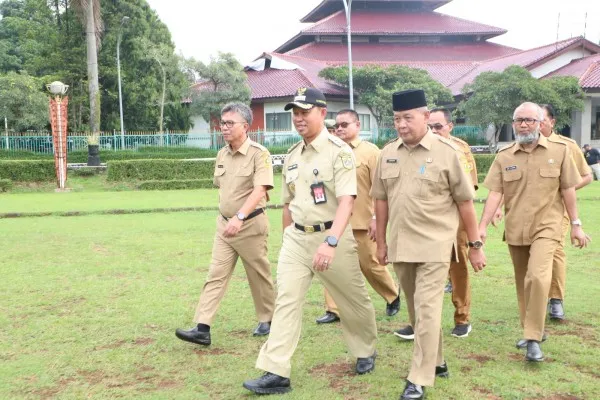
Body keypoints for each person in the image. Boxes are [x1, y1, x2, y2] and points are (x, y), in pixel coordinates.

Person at [243, 88, 378, 395]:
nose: (299, 118)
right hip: (297, 239)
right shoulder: (292, 156)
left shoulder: (338, 151)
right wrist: (286, 238)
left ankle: (365, 348)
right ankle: (276, 370)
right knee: (287, 301)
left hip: (333, 236)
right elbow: (288, 204)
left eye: (305, 112)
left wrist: (330, 242)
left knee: (353, 300)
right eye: (295, 113)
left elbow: (347, 202)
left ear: (322, 111)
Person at [372, 89, 486, 400]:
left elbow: (465, 203)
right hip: (401, 245)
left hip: (436, 246)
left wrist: (475, 244)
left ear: (425, 117)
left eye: (408, 117)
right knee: (417, 310)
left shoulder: (448, 153)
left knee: (426, 307)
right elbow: (380, 201)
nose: (402, 124)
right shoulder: (387, 153)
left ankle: (418, 378)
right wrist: (380, 242)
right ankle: (438, 362)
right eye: (397, 119)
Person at [479, 102, 591, 363]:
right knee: (524, 283)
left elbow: (568, 190)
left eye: (529, 120)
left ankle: (532, 338)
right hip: (516, 227)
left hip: (548, 226)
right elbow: (495, 193)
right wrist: (482, 226)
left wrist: (576, 224)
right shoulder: (504, 155)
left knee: (538, 277)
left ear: (541, 123)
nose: (524, 125)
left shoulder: (560, 151)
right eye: (519, 120)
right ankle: (531, 329)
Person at [175, 103, 276, 346]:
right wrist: (227, 218)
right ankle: (202, 327)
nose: (224, 127)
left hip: (250, 225)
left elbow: (260, 189)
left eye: (230, 123)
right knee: (215, 274)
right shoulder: (222, 154)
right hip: (224, 226)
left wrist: (240, 217)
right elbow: (223, 189)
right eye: (222, 123)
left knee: (258, 275)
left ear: (246, 126)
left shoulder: (259, 153)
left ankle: (269, 319)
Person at [315, 109, 400, 325]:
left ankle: (392, 295)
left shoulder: (371, 153)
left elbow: (381, 189)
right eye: (338, 126)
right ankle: (333, 309)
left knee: (370, 265)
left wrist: (374, 218)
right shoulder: (329, 151)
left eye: (345, 125)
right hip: (334, 223)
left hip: (361, 221)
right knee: (332, 265)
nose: (340, 129)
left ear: (358, 125)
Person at [428, 107, 478, 338]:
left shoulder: (460, 149)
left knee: (458, 266)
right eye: (429, 127)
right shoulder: (417, 148)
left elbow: (469, 188)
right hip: (426, 217)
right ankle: (419, 321)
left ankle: (462, 317)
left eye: (438, 126)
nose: (434, 131)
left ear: (450, 126)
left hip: (454, 218)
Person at [539, 104, 592, 321]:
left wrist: (563, 190)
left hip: (557, 209)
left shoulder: (567, 146)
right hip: (529, 211)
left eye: (540, 119)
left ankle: (556, 299)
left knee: (555, 250)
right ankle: (536, 296)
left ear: (552, 121)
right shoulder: (521, 146)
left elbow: (586, 176)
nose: (535, 124)